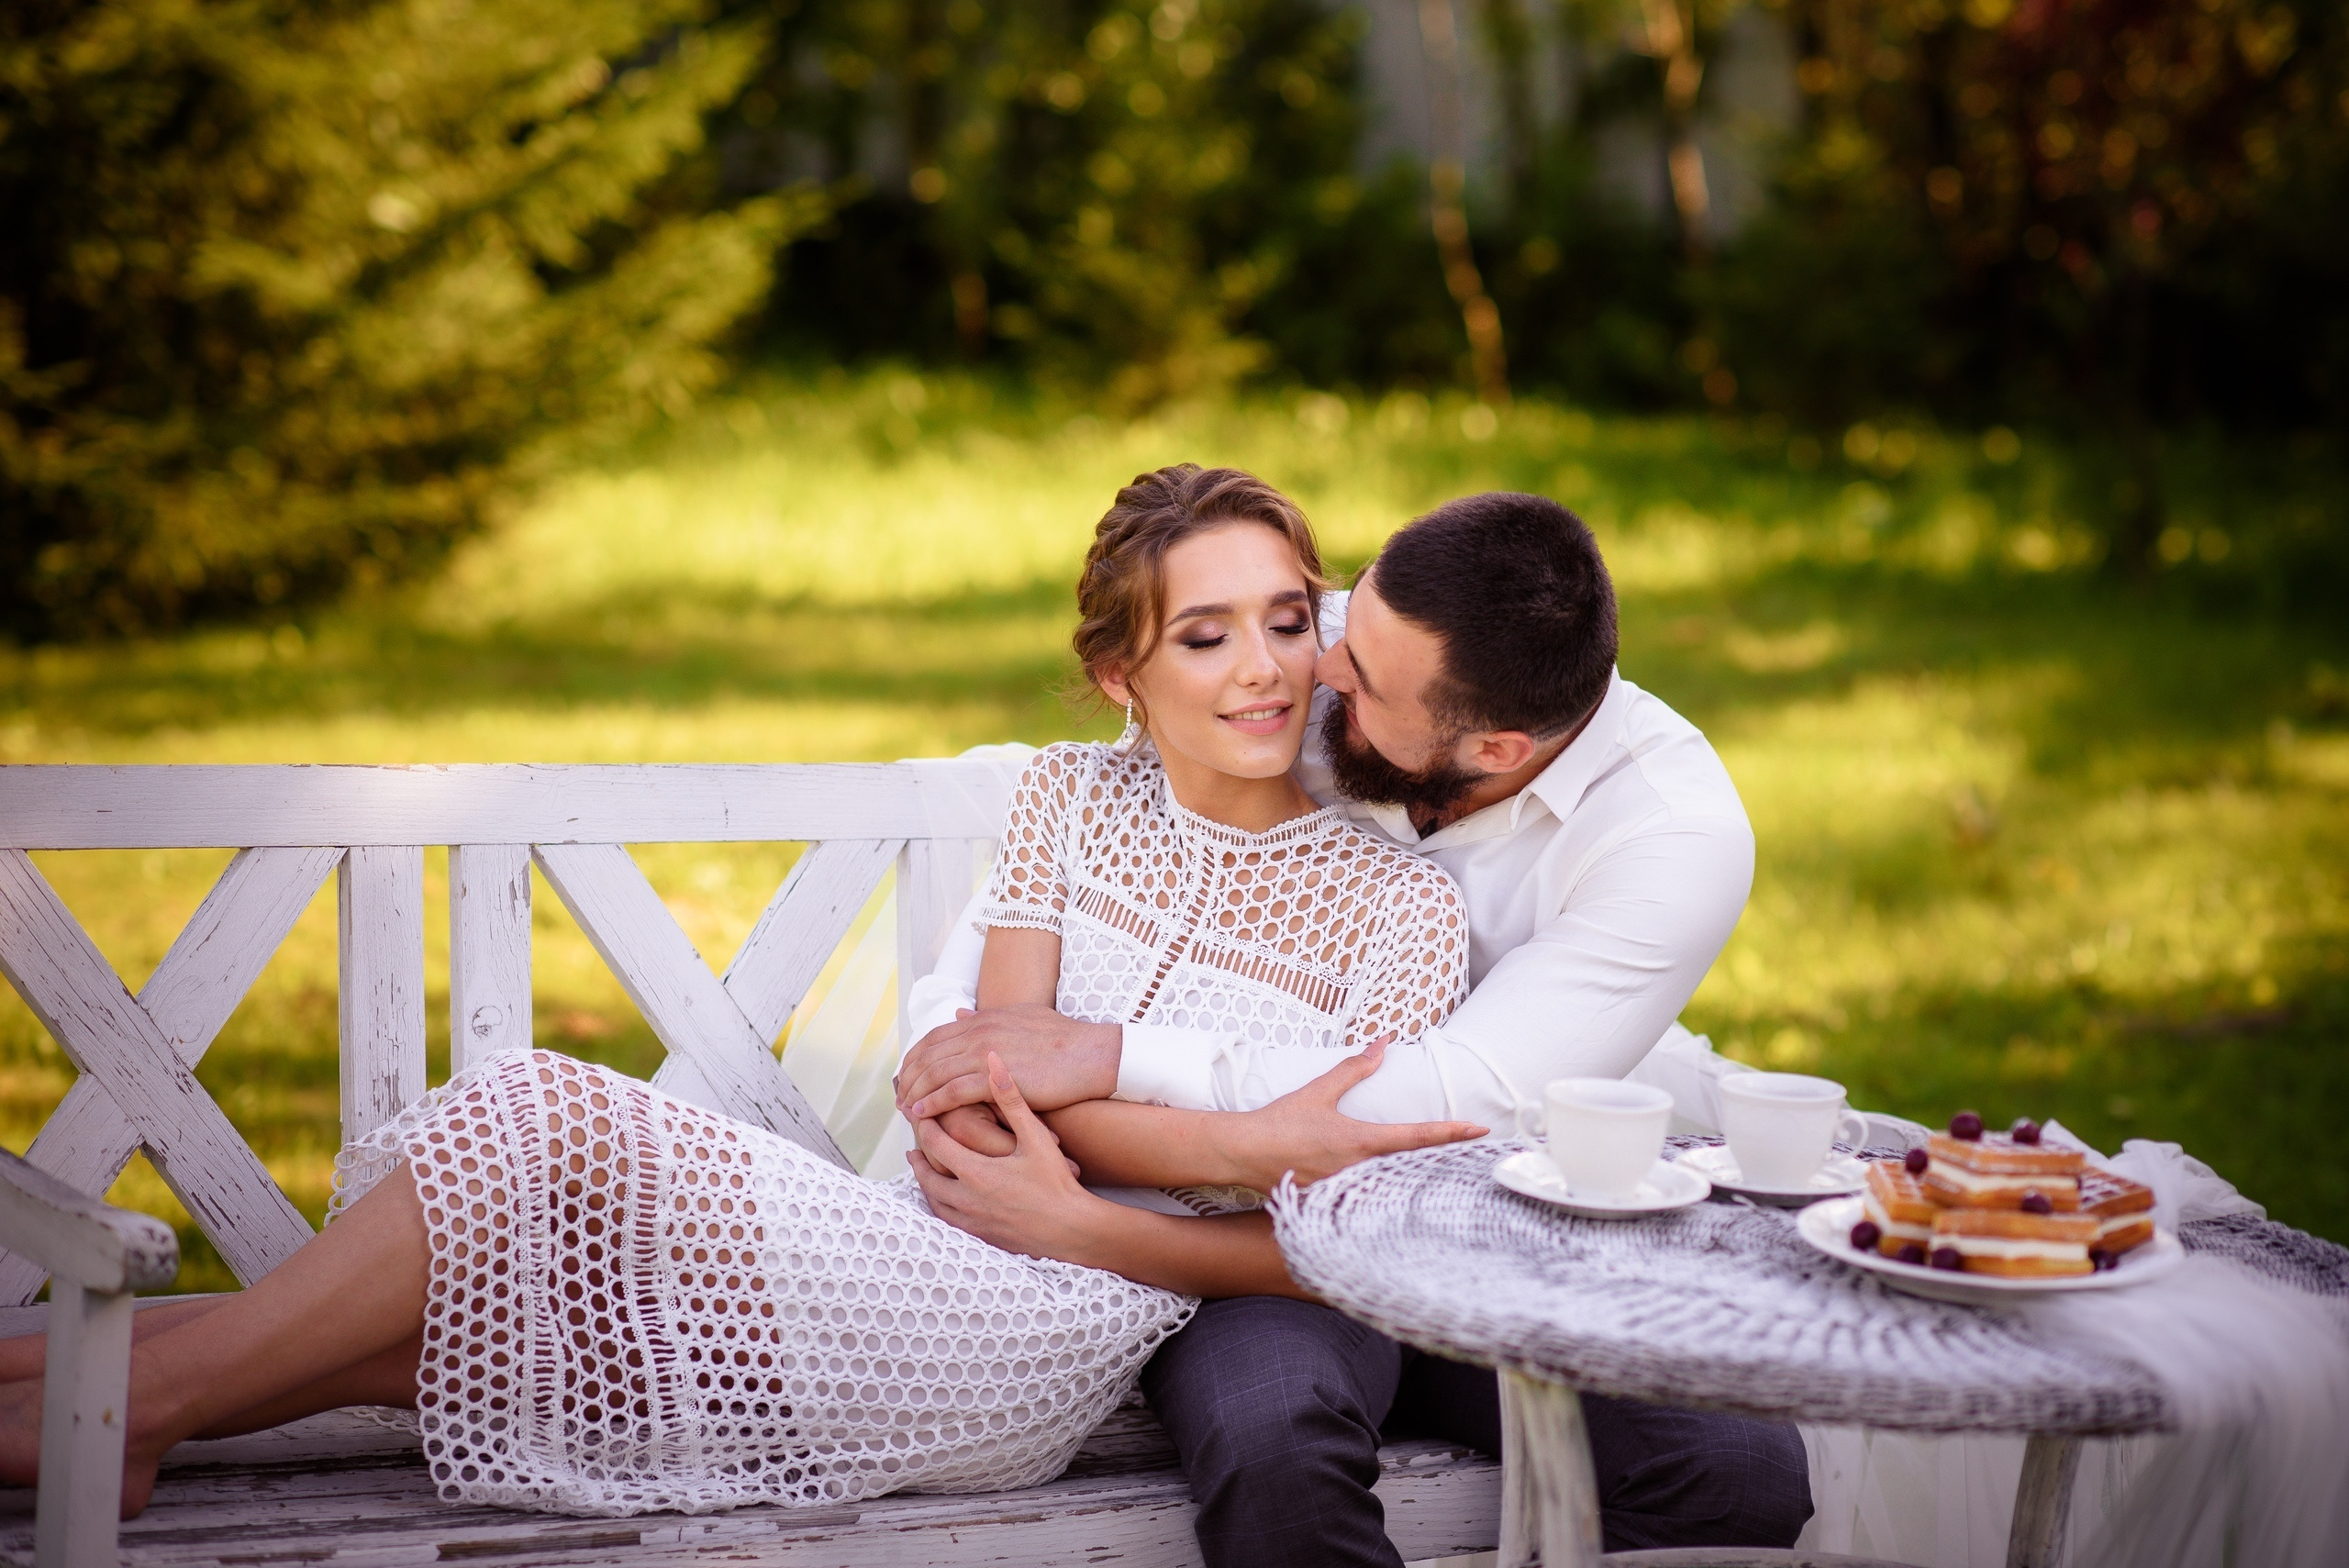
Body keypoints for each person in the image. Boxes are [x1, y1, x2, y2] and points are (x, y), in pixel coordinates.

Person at [0, 463, 1487, 1523]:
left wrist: (1088, 1169)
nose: (1264, 670)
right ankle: (81, 1405)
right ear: (1120, 669)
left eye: (1290, 618)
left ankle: (119, 1409)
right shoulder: (1066, 803)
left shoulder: (1398, 904)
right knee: (499, 1304)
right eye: (1205, 632)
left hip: (1042, 1335)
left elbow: (1360, 1217)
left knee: (536, 1112)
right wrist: (1225, 1135)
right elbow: (987, 1083)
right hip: (925, 1241)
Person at [896, 489, 1815, 1562]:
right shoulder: (1322, 650)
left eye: (1351, 676)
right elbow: (1033, 939)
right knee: (1277, 1429)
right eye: (1328, 624)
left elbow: (1443, 1109)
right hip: (1275, 1231)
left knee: (1735, 1468)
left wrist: (1105, 1079)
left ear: (1499, 746)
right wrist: (985, 1048)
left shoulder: (1669, 833)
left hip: (1491, 1199)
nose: (1311, 672)